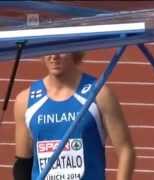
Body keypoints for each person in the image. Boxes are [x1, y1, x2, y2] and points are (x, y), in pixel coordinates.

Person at [13, 52, 135, 180]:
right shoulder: (25, 101)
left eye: (61, 49)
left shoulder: (99, 94)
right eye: (49, 49)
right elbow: (23, 163)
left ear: (75, 52)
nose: (54, 56)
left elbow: (125, 151)